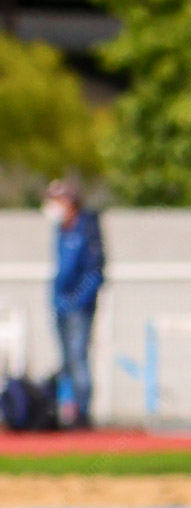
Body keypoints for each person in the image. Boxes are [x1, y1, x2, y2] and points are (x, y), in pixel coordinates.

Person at [44, 180, 104, 429]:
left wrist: (78, 300)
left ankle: (82, 412)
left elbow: (95, 272)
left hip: (79, 308)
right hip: (61, 306)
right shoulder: (61, 230)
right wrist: (58, 300)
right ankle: (66, 410)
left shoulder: (87, 229)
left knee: (78, 358)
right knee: (66, 360)